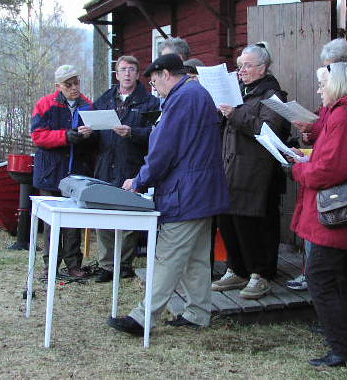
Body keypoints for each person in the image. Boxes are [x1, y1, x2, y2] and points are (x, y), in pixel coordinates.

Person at [108, 54, 230, 335]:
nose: (154, 89)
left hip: (186, 193)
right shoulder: (196, 93)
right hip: (201, 191)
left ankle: (142, 318)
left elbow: (164, 149)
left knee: (167, 257)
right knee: (196, 258)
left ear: (165, 74)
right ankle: (198, 313)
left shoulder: (183, 97)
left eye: (154, 82)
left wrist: (139, 180)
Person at [285, 62, 347, 367]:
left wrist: (297, 169)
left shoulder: (344, 114)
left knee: (320, 279)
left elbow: (329, 169)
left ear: (339, 84)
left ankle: (343, 350)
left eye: (323, 83)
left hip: (340, 211)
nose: (319, 89)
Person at [211, 42, 290, 300]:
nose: (241, 70)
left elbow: (267, 129)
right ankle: (236, 269)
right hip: (229, 167)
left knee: (253, 223)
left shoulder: (272, 95)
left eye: (247, 65)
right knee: (228, 221)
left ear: (262, 68)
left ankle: (260, 274)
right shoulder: (240, 91)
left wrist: (234, 114)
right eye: (240, 64)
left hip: (257, 172)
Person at [86, 55, 160, 283]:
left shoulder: (149, 103)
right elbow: (95, 130)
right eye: (123, 70)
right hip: (106, 165)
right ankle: (106, 265)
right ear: (116, 75)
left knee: (128, 217)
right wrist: (87, 133)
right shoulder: (105, 100)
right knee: (103, 214)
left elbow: (156, 135)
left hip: (132, 165)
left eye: (131, 69)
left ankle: (124, 264)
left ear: (138, 75)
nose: (127, 74)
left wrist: (133, 133)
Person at [30, 64, 95, 279]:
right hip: (51, 172)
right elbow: (38, 136)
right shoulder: (45, 105)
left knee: (74, 222)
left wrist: (89, 136)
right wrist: (66, 137)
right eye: (69, 84)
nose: (74, 87)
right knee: (51, 224)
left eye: (76, 82)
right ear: (58, 86)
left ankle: (74, 264)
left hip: (77, 172)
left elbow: (98, 138)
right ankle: (50, 266)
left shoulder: (88, 106)